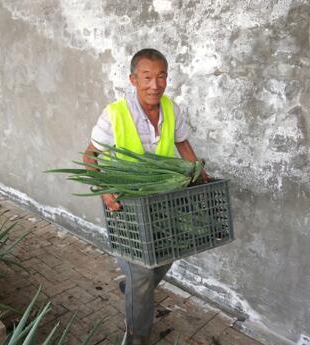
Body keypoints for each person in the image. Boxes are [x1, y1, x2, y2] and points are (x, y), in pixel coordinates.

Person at [83, 48, 206, 345]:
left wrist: (199, 173)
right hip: (126, 204)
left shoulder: (171, 109)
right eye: (147, 77)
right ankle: (137, 335)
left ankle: (133, 287)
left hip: (162, 202)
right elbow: (90, 156)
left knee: (166, 256)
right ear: (134, 79)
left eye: (161, 76)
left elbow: (182, 143)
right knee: (141, 272)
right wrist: (106, 191)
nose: (155, 84)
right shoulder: (115, 114)